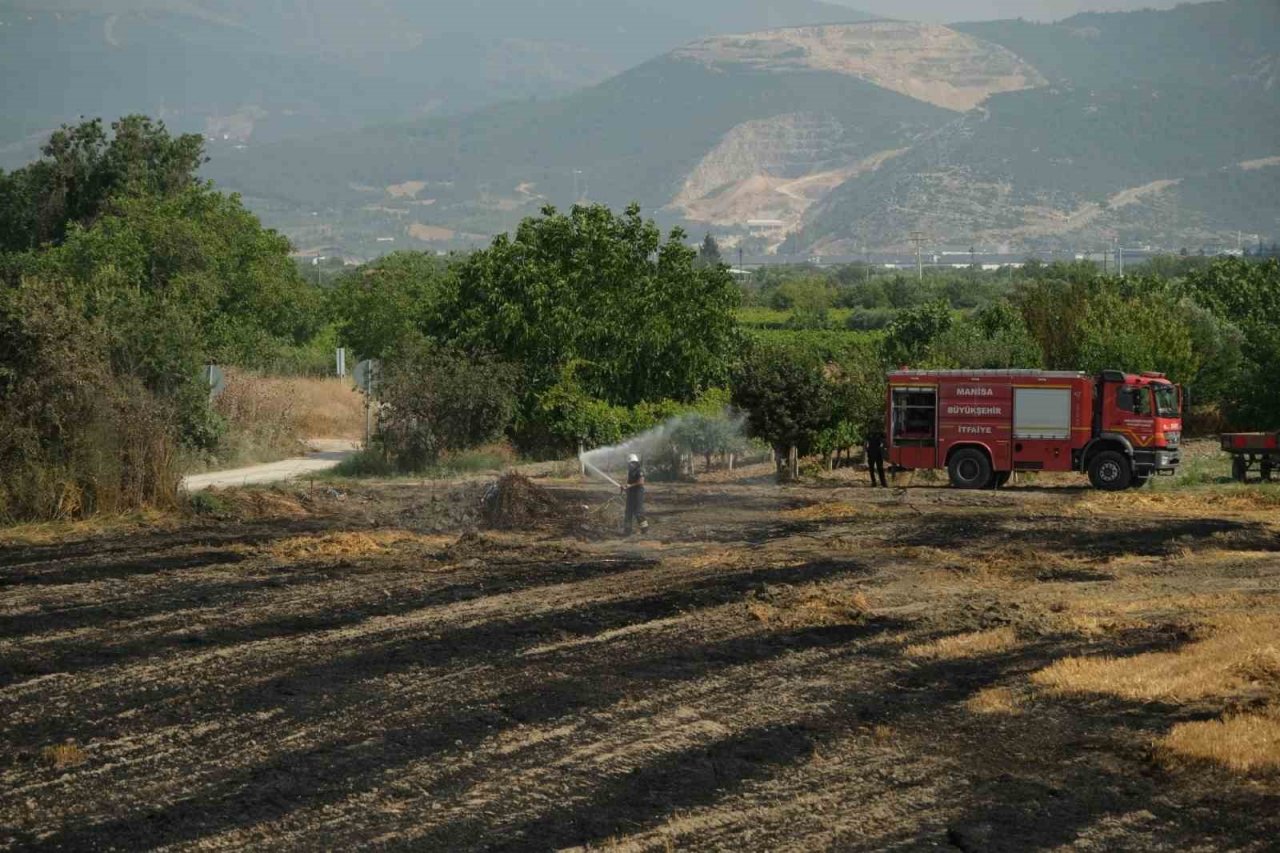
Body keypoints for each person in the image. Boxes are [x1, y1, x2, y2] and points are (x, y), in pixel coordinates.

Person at [622, 453, 648, 535]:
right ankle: (627, 530)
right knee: (628, 512)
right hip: (631, 493)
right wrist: (625, 487)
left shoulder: (640, 470)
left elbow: (641, 482)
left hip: (638, 493)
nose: (629, 465)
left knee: (638, 512)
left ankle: (644, 529)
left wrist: (630, 486)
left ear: (635, 463)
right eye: (629, 463)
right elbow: (629, 483)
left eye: (631, 463)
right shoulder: (630, 471)